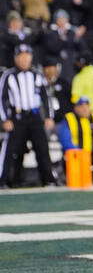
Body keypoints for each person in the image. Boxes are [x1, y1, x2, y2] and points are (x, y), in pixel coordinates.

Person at [0, 44, 57, 187]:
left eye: (27, 56)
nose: (24, 59)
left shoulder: (37, 75)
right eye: (21, 56)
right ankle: (3, 180)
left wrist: (49, 116)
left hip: (35, 116)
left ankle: (48, 179)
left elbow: (46, 97)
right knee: (10, 150)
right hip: (17, 117)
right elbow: (1, 98)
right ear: (16, 58)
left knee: (42, 148)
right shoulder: (8, 75)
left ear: (31, 57)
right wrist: (5, 119)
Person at [57, 96, 93, 184]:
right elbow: (65, 141)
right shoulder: (68, 119)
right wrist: (80, 153)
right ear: (76, 108)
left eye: (86, 106)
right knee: (69, 160)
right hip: (77, 155)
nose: (84, 109)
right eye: (81, 106)